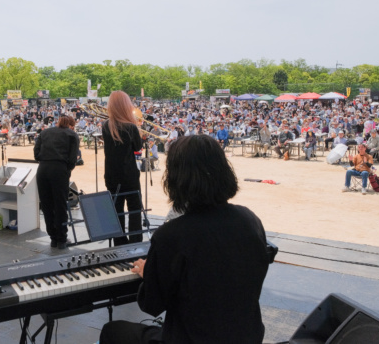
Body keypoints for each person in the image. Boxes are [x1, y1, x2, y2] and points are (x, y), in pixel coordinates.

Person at [99, 135, 270, 344]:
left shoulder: (172, 236)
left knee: (113, 331)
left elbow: (151, 305)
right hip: (246, 337)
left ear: (176, 179)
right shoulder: (250, 219)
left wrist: (149, 272)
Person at [102, 91, 143, 246]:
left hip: (111, 174)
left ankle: (120, 242)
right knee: (134, 208)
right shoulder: (131, 127)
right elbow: (137, 148)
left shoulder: (106, 126)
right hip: (129, 174)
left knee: (116, 208)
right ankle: (135, 242)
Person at [34, 115, 79, 249]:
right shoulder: (72, 135)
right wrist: (66, 169)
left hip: (42, 170)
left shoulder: (45, 132)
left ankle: (53, 238)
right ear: (71, 125)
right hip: (59, 170)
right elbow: (72, 159)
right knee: (60, 205)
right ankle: (61, 239)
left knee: (47, 205)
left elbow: (36, 153)